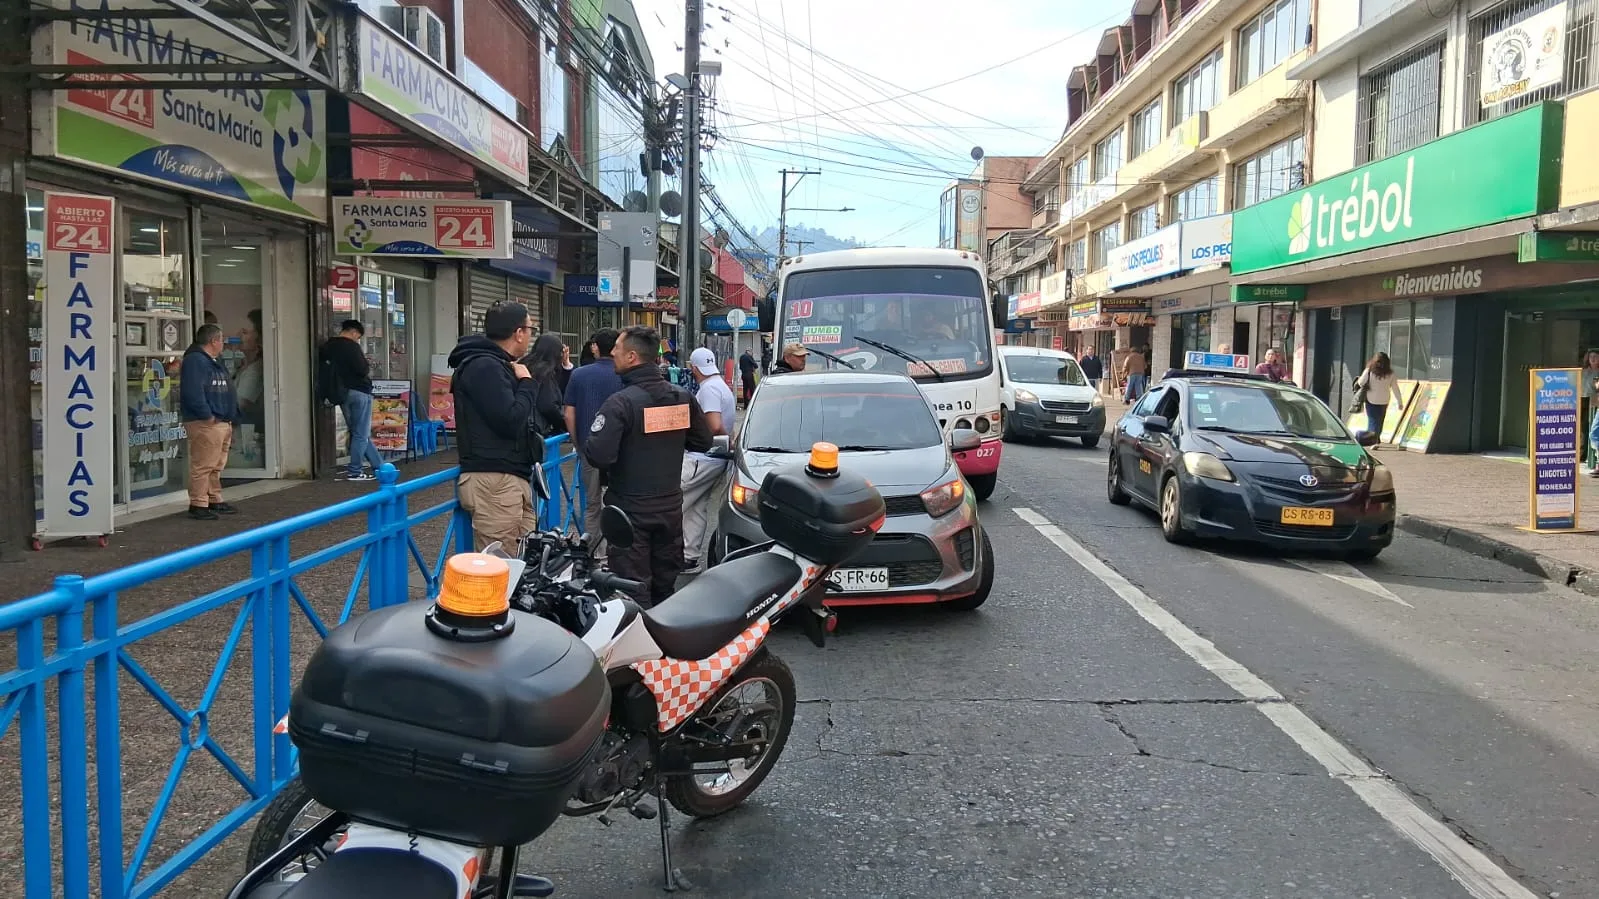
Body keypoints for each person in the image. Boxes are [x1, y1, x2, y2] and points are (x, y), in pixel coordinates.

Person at [583, 326, 713, 606]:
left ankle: (640, 633)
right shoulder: (681, 397)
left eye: (617, 349)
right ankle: (664, 630)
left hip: (629, 512)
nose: (612, 353)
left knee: (632, 588)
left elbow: (599, 455)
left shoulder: (620, 403)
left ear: (632, 357)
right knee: (665, 585)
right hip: (669, 509)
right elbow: (703, 442)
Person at [448, 302, 540, 552]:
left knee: (523, 557)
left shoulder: (496, 364)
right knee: (500, 563)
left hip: (509, 476)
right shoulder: (484, 367)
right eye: (531, 329)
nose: (530, 336)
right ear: (519, 333)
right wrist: (527, 384)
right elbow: (509, 419)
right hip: (495, 480)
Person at [564, 328, 625, 548]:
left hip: (589, 448)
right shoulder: (625, 374)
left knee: (592, 505)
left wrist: (577, 442)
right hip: (621, 450)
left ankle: (593, 554)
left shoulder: (579, 374)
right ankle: (616, 552)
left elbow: (568, 413)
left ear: (595, 347)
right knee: (620, 503)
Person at [681, 347, 737, 573]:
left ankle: (661, 557)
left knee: (670, 502)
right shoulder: (721, 385)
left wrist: (724, 439)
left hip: (701, 458)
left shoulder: (708, 389)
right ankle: (689, 557)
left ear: (693, 368)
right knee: (696, 507)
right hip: (714, 459)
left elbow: (713, 425)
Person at [180, 324, 239, 520]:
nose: (223, 344)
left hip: (220, 420)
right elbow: (193, 392)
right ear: (214, 341)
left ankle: (214, 498)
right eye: (221, 340)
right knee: (204, 464)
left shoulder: (212, 361)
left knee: (216, 464)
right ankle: (198, 503)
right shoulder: (195, 361)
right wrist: (207, 415)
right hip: (207, 422)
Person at [319, 320, 383, 481]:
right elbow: (362, 369)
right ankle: (355, 470)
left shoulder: (328, 347)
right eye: (358, 336)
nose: (357, 339)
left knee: (359, 432)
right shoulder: (351, 347)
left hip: (341, 393)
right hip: (359, 392)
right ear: (354, 332)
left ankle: (380, 467)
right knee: (361, 434)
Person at [522, 333, 571, 438]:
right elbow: (548, 406)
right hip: (536, 432)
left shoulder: (524, 365)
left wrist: (566, 365)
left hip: (522, 427)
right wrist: (565, 424)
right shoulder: (545, 373)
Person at [1354, 351, 1405, 439]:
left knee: (1373, 421)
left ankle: (1369, 438)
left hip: (1371, 400)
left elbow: (1361, 383)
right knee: (1380, 421)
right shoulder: (1390, 374)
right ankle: (1376, 438)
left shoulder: (1369, 371)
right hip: (1384, 401)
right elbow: (1395, 389)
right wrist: (1399, 402)